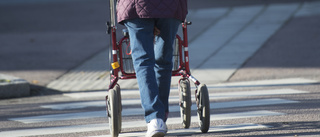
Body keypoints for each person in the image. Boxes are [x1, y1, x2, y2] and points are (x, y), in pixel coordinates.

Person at [116, 0, 188, 136]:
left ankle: (155, 118)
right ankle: (160, 118)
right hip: (170, 7)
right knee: (164, 61)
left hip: (136, 6)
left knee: (143, 61)